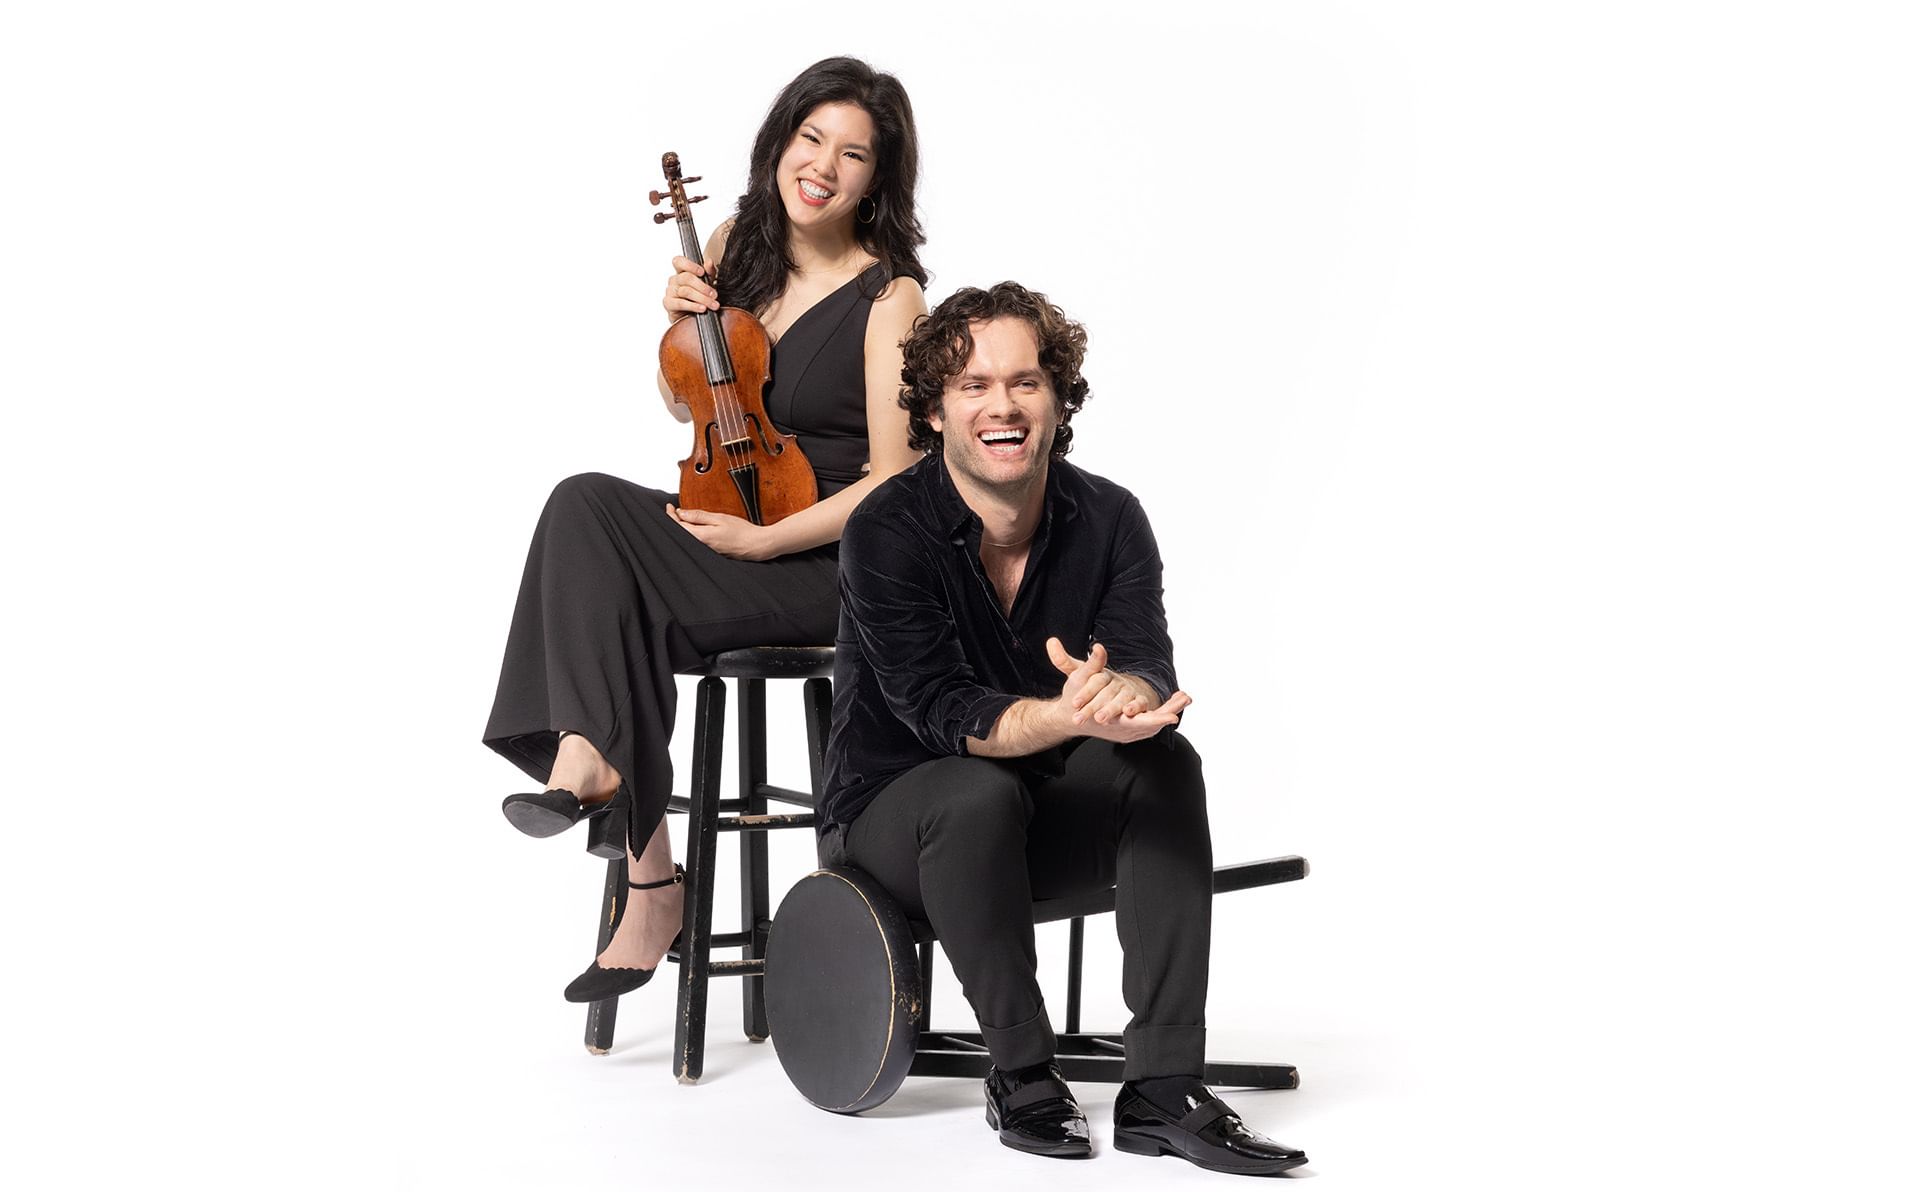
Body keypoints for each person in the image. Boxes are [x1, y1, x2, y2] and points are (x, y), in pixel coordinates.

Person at [817, 283, 1309, 1175]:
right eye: (972, 385)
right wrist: (1060, 714)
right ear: (934, 412)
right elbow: (941, 711)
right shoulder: (886, 530)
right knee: (975, 789)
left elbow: (1145, 657)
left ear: (1057, 398)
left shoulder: (1111, 516)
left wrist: (1125, 693)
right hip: (895, 825)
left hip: (1030, 819)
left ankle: (1162, 1086)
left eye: (1025, 382)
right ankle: (1021, 1067)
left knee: (1163, 762)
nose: (1001, 405)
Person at [484, 57, 927, 1003]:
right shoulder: (735, 245)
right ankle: (616, 809)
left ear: (877, 179)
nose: (823, 166)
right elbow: (685, 397)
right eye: (811, 139)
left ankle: (641, 868)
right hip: (729, 523)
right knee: (582, 503)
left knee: (618, 594)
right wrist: (679, 319)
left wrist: (768, 542)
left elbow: (898, 481)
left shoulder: (891, 300)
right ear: (781, 141)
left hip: (823, 561)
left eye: (853, 154)